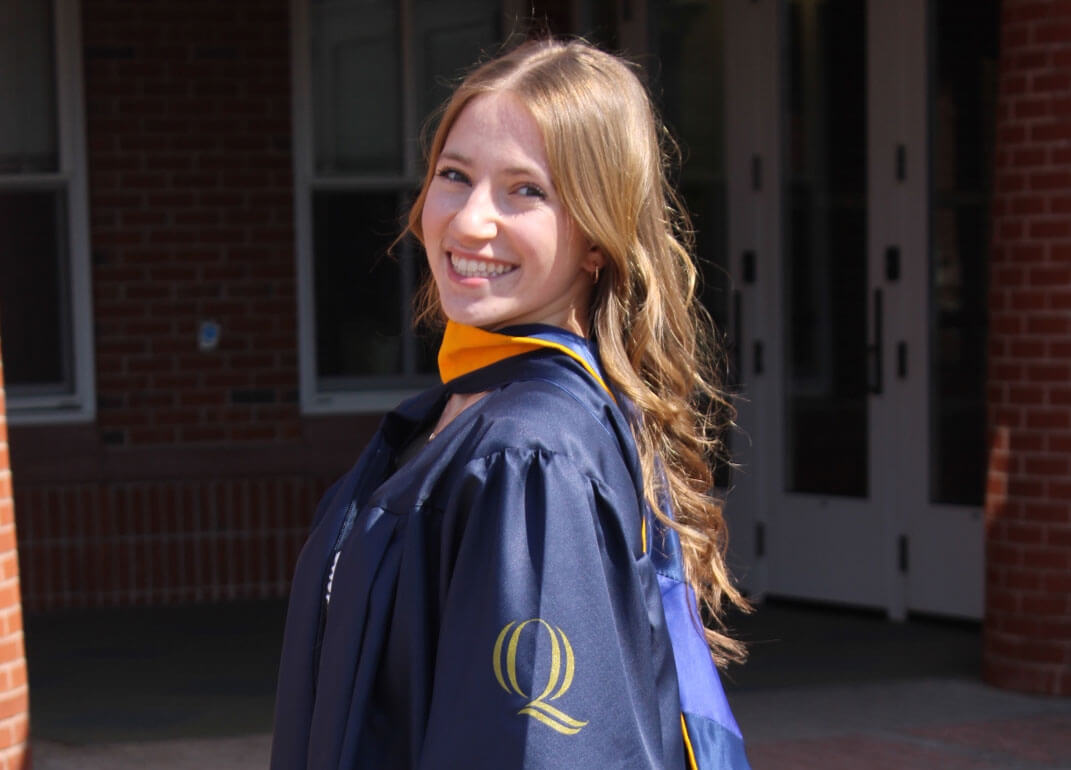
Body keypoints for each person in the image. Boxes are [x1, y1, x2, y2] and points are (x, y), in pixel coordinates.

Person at [271, 38, 751, 769]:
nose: (469, 222)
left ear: (597, 237)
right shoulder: (455, 415)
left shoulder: (530, 454)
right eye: (454, 176)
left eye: (525, 190)